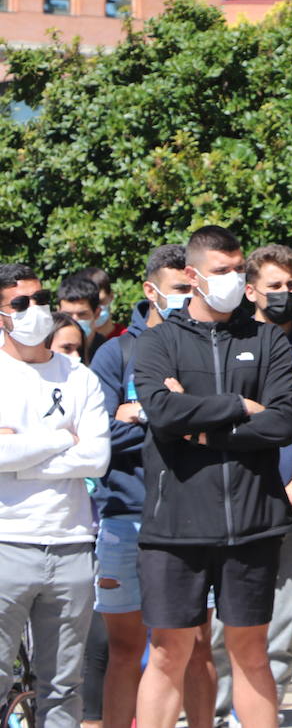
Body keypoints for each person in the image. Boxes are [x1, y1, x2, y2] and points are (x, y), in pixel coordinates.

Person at [132, 226, 292, 728]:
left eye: (237, 270)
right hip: (174, 525)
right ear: (192, 276)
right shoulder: (158, 341)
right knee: (169, 652)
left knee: (250, 651)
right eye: (220, 271)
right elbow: (161, 412)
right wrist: (235, 407)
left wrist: (203, 428)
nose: (232, 280)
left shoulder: (267, 338)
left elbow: (282, 422)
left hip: (253, 521)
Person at [210, 245, 292, 713]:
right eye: (274, 287)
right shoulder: (228, 343)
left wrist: (289, 494)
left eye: (291, 286)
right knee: (229, 618)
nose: (285, 295)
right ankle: (224, 709)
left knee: (285, 617)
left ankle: (270, 708)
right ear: (251, 291)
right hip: (235, 501)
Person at [87, 245, 212, 728]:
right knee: (126, 649)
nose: (188, 297)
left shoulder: (209, 346)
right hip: (127, 518)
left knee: (196, 647)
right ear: (151, 290)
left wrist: (143, 413)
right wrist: (169, 415)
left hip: (194, 517)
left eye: (193, 288)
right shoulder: (116, 352)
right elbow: (98, 437)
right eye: (180, 289)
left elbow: (218, 424)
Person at [0, 268, 111, 728]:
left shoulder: (79, 375)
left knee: (64, 685)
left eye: (40, 297)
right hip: (6, 543)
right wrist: (62, 437)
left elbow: (98, 456)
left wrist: (20, 451)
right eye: (20, 303)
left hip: (71, 546)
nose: (34, 309)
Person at [58, 274, 106, 363]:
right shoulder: (47, 351)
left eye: (82, 314)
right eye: (67, 314)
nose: (74, 320)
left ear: (97, 314)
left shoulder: (109, 353)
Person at [73, 267, 125, 340]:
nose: (97, 310)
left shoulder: (129, 339)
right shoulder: (73, 343)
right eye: (91, 303)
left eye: (100, 302)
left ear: (111, 296)